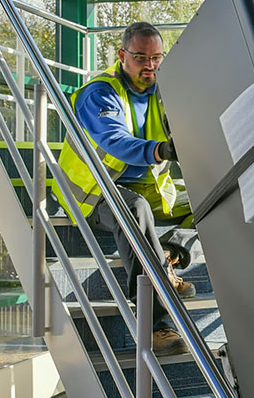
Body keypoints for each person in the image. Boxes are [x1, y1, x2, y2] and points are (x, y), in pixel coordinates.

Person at [54, 21, 195, 354]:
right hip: (94, 191)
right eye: (141, 57)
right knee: (133, 210)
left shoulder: (163, 91)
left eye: (157, 58)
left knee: (213, 195)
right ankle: (157, 325)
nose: (150, 66)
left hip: (148, 189)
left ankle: (167, 255)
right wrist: (159, 150)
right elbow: (114, 140)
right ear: (122, 55)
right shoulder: (99, 93)